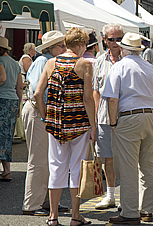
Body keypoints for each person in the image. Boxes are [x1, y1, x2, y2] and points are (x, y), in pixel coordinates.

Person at [34, 27, 96, 226]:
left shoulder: (51, 62)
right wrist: (93, 125)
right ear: (80, 44)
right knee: (76, 168)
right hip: (78, 123)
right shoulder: (84, 64)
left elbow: (37, 94)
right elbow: (88, 98)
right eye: (85, 44)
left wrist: (46, 116)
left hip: (55, 125)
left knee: (56, 167)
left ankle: (52, 216)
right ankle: (75, 216)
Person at [102, 32, 153, 224]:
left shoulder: (119, 67)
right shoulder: (151, 68)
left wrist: (113, 124)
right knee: (148, 166)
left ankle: (129, 213)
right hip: (151, 115)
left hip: (129, 117)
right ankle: (147, 210)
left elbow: (112, 99)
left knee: (128, 167)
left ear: (122, 48)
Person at [22, 31, 69, 216]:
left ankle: (46, 201)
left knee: (48, 160)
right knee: (39, 160)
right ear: (52, 48)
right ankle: (32, 204)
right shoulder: (44, 61)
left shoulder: (48, 61)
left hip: (43, 113)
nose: (64, 49)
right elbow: (37, 92)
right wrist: (45, 115)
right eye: (61, 46)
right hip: (39, 112)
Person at [92, 23, 123, 210]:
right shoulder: (99, 60)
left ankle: (125, 197)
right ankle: (110, 196)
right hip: (103, 117)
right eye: (111, 39)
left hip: (125, 117)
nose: (115, 43)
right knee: (108, 158)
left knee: (126, 159)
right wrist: (94, 118)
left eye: (118, 39)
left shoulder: (128, 60)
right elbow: (95, 91)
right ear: (105, 40)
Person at [0, 36, 22, 182]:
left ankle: (6, 170)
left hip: (2, 99)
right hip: (13, 100)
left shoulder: (0, 61)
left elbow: (2, 77)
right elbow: (20, 86)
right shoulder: (15, 63)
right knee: (7, 135)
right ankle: (7, 170)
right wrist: (19, 104)